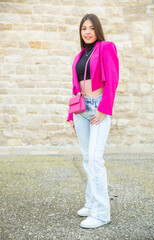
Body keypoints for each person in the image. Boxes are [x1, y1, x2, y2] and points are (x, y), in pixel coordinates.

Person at [67, 13, 119, 229]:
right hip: (81, 110)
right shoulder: (80, 55)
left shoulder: (106, 47)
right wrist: (71, 114)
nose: (87, 32)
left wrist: (104, 109)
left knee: (96, 160)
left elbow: (113, 79)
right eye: (83, 28)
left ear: (97, 29)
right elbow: (76, 85)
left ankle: (101, 213)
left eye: (91, 28)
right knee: (88, 158)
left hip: (98, 107)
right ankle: (90, 203)